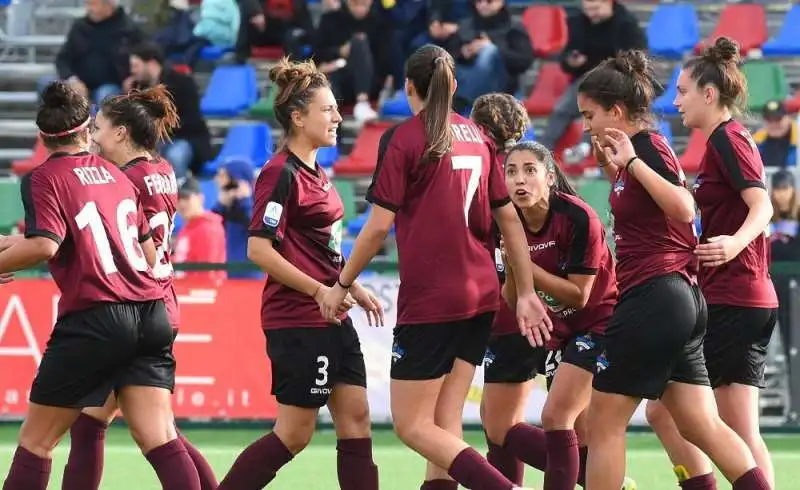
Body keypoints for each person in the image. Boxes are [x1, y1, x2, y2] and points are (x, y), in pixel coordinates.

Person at [320, 44, 551, 490]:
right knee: (445, 419)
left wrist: (341, 282)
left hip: (433, 300)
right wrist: (523, 292)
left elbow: (375, 229)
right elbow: (509, 224)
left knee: (412, 426)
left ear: (409, 87)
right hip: (481, 295)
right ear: (454, 85)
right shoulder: (479, 138)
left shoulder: (404, 138)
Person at [578, 49, 771, 490]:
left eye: (590, 115)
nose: (586, 125)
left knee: (602, 422)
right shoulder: (637, 155)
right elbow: (653, 214)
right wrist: (618, 169)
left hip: (655, 296)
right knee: (699, 423)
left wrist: (630, 163)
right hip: (679, 299)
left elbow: (684, 208)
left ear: (617, 111)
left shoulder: (647, 148)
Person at [0, 81, 201, 490]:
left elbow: (45, 244)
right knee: (160, 438)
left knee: (37, 442)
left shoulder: (43, 177)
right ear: (85, 129)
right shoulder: (116, 173)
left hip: (97, 316)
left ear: (42, 137)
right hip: (151, 312)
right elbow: (143, 252)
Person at [216, 58, 384, 490]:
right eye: (327, 110)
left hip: (332, 315)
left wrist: (353, 287)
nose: (337, 118)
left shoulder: (318, 173)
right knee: (294, 434)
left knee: (357, 419)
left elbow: (321, 251)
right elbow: (258, 248)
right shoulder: (279, 173)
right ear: (297, 117)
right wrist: (320, 290)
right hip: (299, 318)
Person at [57, 85, 218, 490]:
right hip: (161, 304)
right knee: (148, 428)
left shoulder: (121, 181)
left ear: (122, 133)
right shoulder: (161, 171)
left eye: (99, 127)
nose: (92, 135)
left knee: (134, 431)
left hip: (131, 307)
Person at [644, 36, 778, 490]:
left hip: (735, 296)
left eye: (682, 91)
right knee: (714, 421)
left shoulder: (727, 139)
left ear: (709, 94)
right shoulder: (725, 140)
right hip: (742, 297)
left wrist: (733, 245)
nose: (675, 100)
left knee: (670, 410)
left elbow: (763, 207)